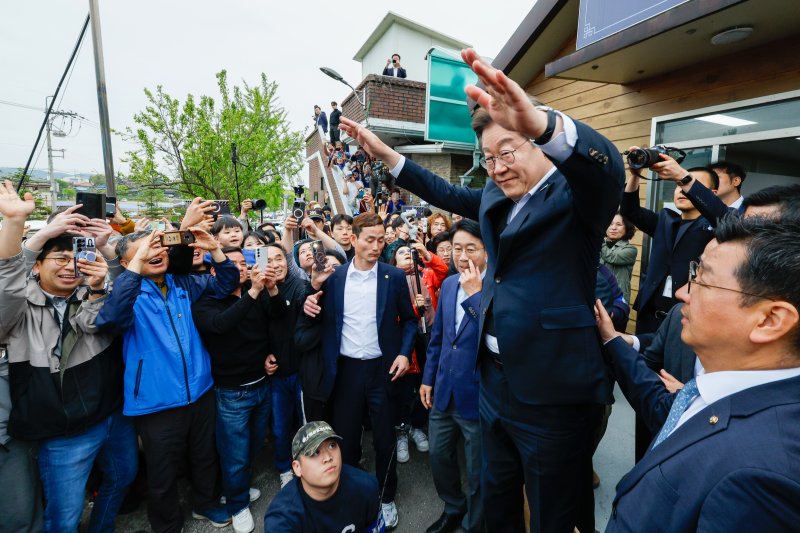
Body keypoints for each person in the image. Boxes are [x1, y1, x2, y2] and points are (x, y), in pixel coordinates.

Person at [340, 48, 624, 533]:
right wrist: (388, 156)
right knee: (497, 502)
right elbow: (447, 193)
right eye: (488, 157)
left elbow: (608, 168)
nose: (497, 166)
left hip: (552, 390)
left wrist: (543, 122)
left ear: (538, 146)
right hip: (492, 382)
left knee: (555, 511)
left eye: (509, 150)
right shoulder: (495, 194)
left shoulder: (576, 198)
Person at [597, 215, 800, 532]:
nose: (681, 293)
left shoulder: (762, 472)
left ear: (770, 320)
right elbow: (665, 409)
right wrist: (612, 339)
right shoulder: (720, 389)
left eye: (702, 279)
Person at [0, 182, 137, 533]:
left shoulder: (93, 295)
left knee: (122, 478)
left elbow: (125, 299)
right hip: (63, 433)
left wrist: (107, 249)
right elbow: (6, 285)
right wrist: (27, 232)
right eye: (60, 258)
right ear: (36, 265)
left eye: (75, 257)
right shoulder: (19, 308)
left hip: (111, 415)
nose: (70, 266)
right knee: (64, 515)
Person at [96, 228, 239, 532]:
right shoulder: (126, 294)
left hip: (200, 390)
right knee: (162, 473)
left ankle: (207, 504)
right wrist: (133, 272)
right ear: (125, 262)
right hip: (155, 400)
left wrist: (214, 248)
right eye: (144, 251)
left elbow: (226, 282)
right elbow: (110, 320)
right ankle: (167, 525)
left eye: (158, 247)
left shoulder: (183, 282)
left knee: (204, 457)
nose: (155, 253)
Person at [302, 213, 417, 529]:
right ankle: (349, 497)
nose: (377, 246)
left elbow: (409, 321)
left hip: (383, 370)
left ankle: (386, 498)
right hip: (346, 372)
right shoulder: (335, 278)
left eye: (382, 240)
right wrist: (308, 304)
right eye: (370, 239)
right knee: (347, 441)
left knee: (384, 439)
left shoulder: (393, 277)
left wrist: (405, 354)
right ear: (352, 239)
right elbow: (312, 312)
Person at [192, 247, 283, 533]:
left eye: (245, 263)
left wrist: (270, 290)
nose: (242, 269)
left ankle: (237, 490)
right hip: (231, 392)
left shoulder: (251, 293)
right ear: (215, 272)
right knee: (235, 455)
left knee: (255, 444)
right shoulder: (205, 302)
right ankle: (237, 504)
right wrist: (255, 293)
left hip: (261, 384)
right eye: (234, 265)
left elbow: (275, 321)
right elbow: (222, 326)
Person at [420, 219, 486, 533]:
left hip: (477, 395)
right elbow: (439, 338)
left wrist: (476, 296)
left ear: (487, 251)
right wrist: (428, 378)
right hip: (443, 390)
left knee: (477, 470)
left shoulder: (497, 288)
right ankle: (453, 506)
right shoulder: (448, 284)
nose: (462, 256)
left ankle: (474, 523)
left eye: (470, 249)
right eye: (457, 249)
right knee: (438, 455)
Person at [621, 159, 726, 335]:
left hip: (687, 319)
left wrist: (683, 176)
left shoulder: (718, 228)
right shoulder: (666, 221)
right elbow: (629, 210)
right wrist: (635, 174)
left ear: (711, 194)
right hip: (649, 317)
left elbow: (723, 215)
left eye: (687, 184)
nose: (681, 190)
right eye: (678, 185)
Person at [264, 421, 385, 532]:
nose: (328, 457)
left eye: (332, 445)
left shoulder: (366, 487)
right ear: (297, 468)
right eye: (315, 452)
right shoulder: (282, 521)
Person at [388, 241, 448, 463]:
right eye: (401, 252)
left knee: (425, 383)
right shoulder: (390, 280)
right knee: (403, 387)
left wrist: (426, 253)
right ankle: (401, 429)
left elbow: (444, 270)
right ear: (393, 260)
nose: (406, 255)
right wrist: (413, 308)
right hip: (403, 343)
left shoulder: (427, 275)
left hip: (428, 337)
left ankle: (417, 426)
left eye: (409, 252)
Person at [263, 242, 314, 488]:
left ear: (287, 261)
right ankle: (284, 468)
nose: (274, 265)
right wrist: (263, 355)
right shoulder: (257, 291)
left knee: (305, 423)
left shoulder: (301, 286)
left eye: (279, 259)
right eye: (268, 261)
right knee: (280, 426)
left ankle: (307, 466)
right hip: (276, 374)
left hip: (302, 369)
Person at [600, 212, 637, 303]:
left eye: (619, 224)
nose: (613, 228)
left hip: (617, 299)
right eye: (610, 223)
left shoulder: (630, 250)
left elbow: (611, 257)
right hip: (598, 296)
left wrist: (597, 237)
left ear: (627, 228)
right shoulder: (599, 246)